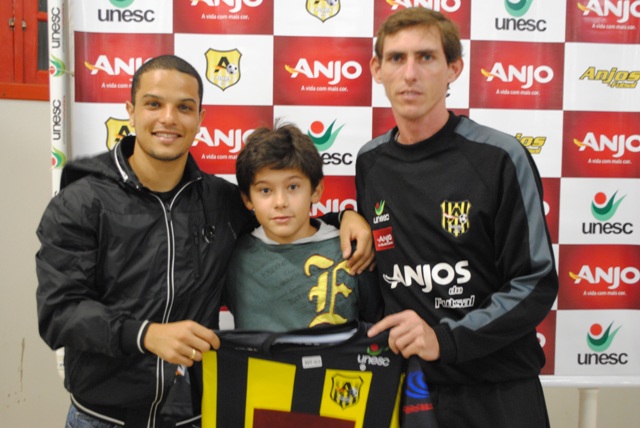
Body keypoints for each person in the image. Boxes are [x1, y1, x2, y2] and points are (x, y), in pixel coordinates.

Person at [35, 55, 374, 428]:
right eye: (153, 104)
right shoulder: (82, 202)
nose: (169, 118)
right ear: (130, 111)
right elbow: (59, 313)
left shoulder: (220, 200)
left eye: (184, 107)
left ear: (200, 118)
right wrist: (145, 335)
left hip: (197, 413)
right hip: (103, 417)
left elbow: (284, 218)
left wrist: (345, 217)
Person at [358, 8, 558, 428]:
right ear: (377, 69)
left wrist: (445, 338)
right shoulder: (370, 161)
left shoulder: (499, 157)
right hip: (409, 389)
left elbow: (535, 281)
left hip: (497, 390)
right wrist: (345, 216)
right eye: (396, 58)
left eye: (426, 57)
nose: (409, 73)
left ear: (454, 69)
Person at [223, 123, 382, 332]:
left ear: (316, 190)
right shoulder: (233, 255)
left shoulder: (353, 252)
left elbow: (378, 330)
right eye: (265, 190)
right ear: (247, 199)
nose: (280, 202)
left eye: (293, 187)